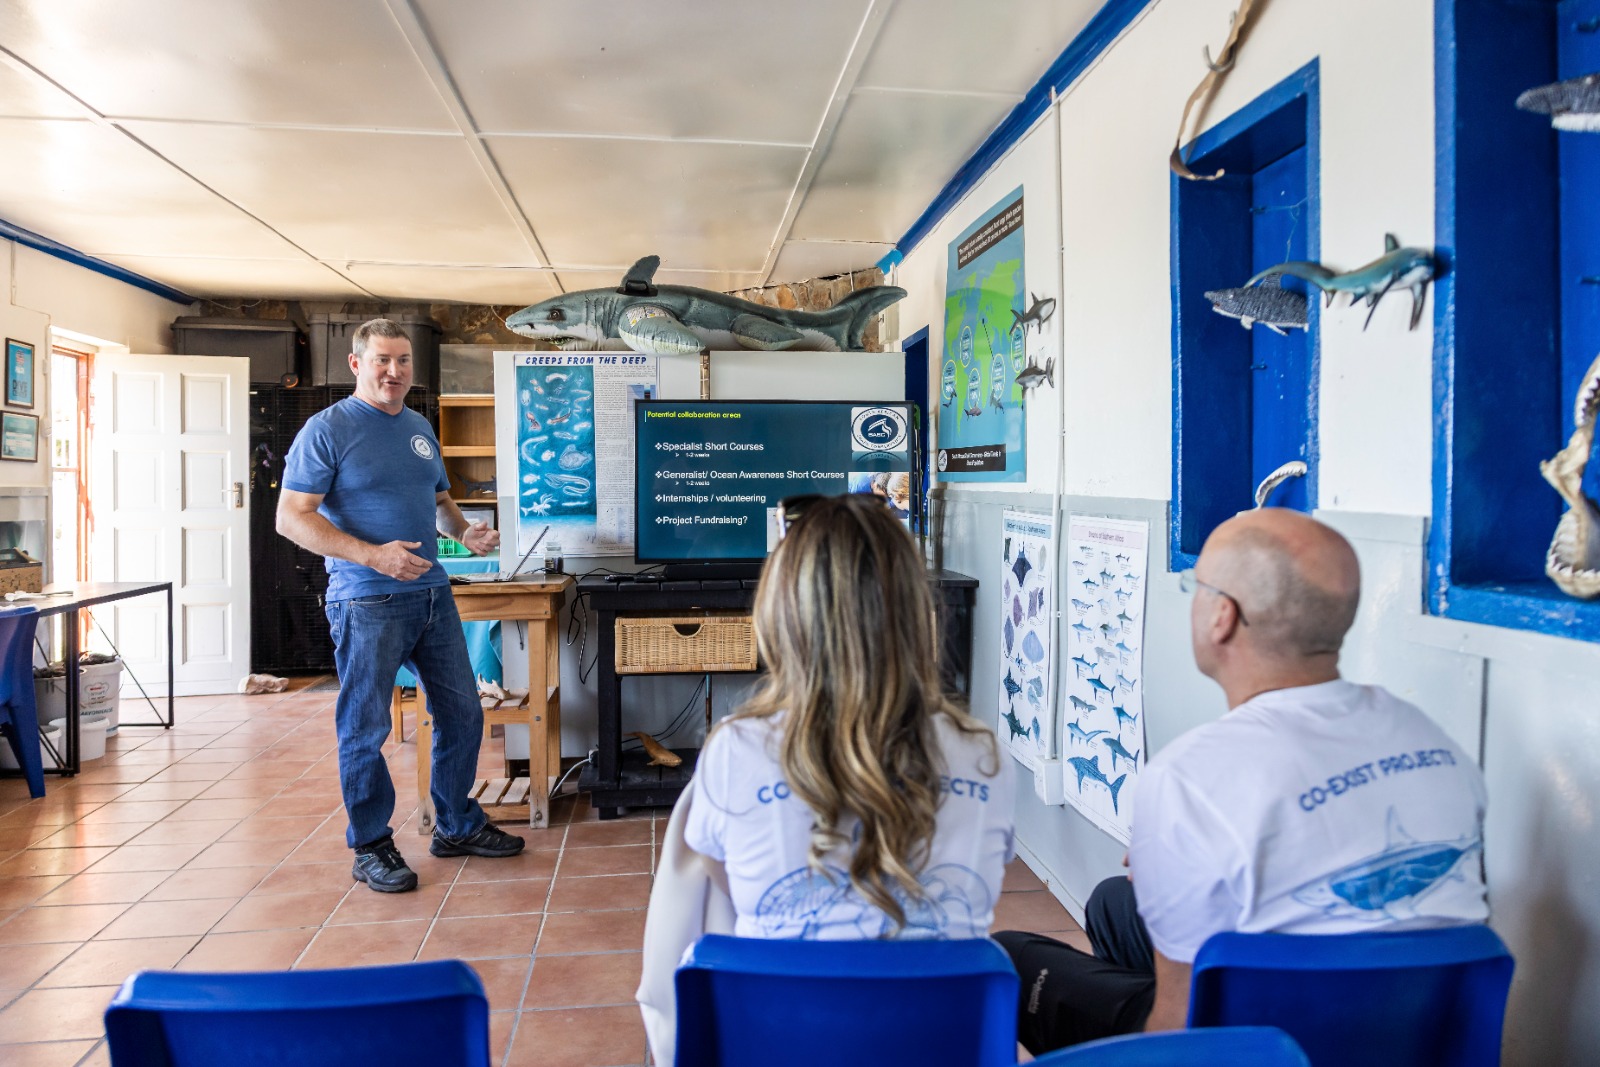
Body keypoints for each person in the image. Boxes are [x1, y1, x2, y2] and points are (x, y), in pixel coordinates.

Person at [997, 509, 1489, 1052]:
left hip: (1258, 1044)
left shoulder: (1189, 775)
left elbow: (1174, 1027)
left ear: (1222, 616)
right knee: (1115, 903)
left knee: (1012, 959)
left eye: (1196, 587)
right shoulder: (1431, 739)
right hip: (1410, 1028)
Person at [685, 492, 1015, 940]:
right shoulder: (984, 756)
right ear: (916, 611)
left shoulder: (733, 749)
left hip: (781, 988)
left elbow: (727, 884)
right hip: (946, 989)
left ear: (781, 611)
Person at [277, 318, 526, 894]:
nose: (395, 371)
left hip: (432, 594)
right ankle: (370, 845)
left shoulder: (418, 427)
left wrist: (464, 533)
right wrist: (372, 556)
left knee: (463, 713)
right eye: (383, 360)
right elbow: (291, 517)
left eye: (404, 360)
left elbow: (439, 500)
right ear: (356, 364)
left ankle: (456, 825)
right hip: (367, 600)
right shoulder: (327, 429)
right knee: (366, 727)